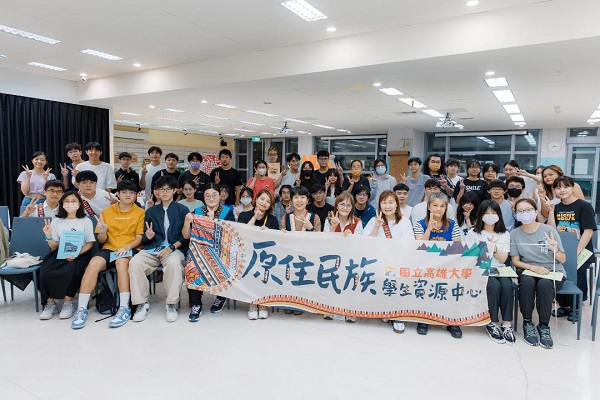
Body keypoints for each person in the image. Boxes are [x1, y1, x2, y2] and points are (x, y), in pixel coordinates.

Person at [72, 180, 145, 329]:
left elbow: (139, 238)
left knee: (121, 262)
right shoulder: (106, 212)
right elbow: (101, 240)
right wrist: (103, 231)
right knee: (93, 264)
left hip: (129, 248)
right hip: (109, 248)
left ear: (136, 195)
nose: (128, 195)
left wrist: (127, 247)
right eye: (124, 192)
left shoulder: (140, 213)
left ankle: (124, 308)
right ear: (117, 194)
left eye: (131, 192)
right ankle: (81, 309)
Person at [129, 176, 189, 323]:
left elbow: (186, 237)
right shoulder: (151, 211)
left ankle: (171, 304)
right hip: (153, 248)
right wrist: (148, 236)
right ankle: (141, 303)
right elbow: (145, 236)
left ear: (174, 190)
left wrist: (172, 247)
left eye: (168, 189)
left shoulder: (182, 209)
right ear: (157, 192)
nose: (165, 192)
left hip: (174, 249)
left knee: (174, 263)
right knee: (135, 262)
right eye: (162, 189)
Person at [510, 198, 565, 349]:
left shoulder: (549, 231)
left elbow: (563, 259)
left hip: (553, 271)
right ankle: (527, 323)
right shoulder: (514, 234)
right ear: (516, 215)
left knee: (545, 284)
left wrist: (554, 249)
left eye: (528, 210)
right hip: (529, 269)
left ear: (535, 212)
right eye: (520, 211)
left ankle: (544, 325)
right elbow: (515, 261)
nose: (524, 213)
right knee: (527, 282)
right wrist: (533, 268)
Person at [37, 191, 95, 320]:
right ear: (62, 204)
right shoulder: (56, 222)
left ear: (79, 204)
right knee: (44, 270)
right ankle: (50, 303)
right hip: (61, 251)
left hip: (81, 253)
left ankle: (68, 303)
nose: (70, 204)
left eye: (73, 201)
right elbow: (54, 246)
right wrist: (48, 235)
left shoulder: (86, 221)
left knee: (72, 269)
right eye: (67, 201)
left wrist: (76, 254)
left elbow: (90, 243)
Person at [413, 192, 462, 338]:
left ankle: (451, 320)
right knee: (425, 283)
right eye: (435, 205)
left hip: (447, 265)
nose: (438, 209)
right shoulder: (420, 224)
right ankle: (424, 319)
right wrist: (429, 229)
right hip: (425, 265)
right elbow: (419, 246)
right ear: (429, 207)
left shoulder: (453, 225)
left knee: (453, 283)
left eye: (442, 206)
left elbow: (457, 247)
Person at [183, 183, 235, 322]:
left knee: (223, 265)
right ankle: (196, 304)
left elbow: (230, 235)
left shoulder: (227, 212)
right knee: (192, 266)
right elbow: (186, 236)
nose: (211, 198)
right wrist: (187, 222)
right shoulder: (197, 211)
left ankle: (221, 297)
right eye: (207, 196)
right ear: (203, 197)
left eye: (214, 195)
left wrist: (214, 222)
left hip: (221, 250)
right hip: (199, 250)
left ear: (219, 196)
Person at [466, 200, 515, 344]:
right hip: (481, 268)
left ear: (499, 215)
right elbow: (470, 256)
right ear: (481, 215)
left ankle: (507, 324)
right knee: (494, 286)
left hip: (500, 268)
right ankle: (492, 322)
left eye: (493, 213)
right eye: (487, 213)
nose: (490, 216)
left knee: (508, 286)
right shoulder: (473, 233)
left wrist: (494, 248)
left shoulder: (504, 234)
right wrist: (486, 248)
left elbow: (503, 259)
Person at [364, 190, 414, 333]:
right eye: (384, 203)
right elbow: (365, 242)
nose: (387, 206)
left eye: (391, 202)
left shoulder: (404, 222)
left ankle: (397, 316)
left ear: (397, 204)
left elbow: (408, 244)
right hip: (378, 262)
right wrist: (376, 227)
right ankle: (385, 310)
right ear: (379, 205)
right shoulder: (374, 220)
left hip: (398, 262)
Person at [546, 176, 596, 309]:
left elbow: (588, 232)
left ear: (573, 188)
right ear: (554, 190)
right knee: (560, 278)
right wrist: (550, 211)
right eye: (558, 188)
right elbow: (552, 231)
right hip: (562, 251)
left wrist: (575, 254)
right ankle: (564, 306)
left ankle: (575, 309)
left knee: (575, 281)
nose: (562, 190)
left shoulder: (584, 206)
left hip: (581, 252)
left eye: (566, 186)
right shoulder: (556, 207)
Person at [238, 189, 280, 320]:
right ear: (255, 199)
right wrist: (254, 218)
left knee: (265, 269)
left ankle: (263, 304)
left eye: (268, 201)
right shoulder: (244, 215)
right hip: (247, 254)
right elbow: (242, 234)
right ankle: (252, 303)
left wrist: (269, 233)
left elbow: (277, 241)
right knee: (251, 268)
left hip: (266, 256)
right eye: (262, 199)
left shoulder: (272, 219)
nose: (264, 203)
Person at [322, 192, 363, 322]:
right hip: (332, 258)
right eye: (342, 204)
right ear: (336, 206)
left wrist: (352, 238)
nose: (345, 208)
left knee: (352, 278)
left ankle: (350, 310)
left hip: (350, 259)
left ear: (352, 207)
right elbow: (325, 243)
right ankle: (329, 308)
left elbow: (360, 246)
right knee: (330, 278)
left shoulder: (357, 222)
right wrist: (333, 229)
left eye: (348, 205)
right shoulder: (329, 220)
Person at [280, 185, 320, 315]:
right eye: (296, 197)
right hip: (290, 256)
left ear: (307, 200)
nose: (299, 200)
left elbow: (320, 241)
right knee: (289, 280)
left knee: (303, 280)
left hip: (307, 257)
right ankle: (289, 302)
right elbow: (280, 240)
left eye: (302, 197)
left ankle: (301, 304)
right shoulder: (285, 218)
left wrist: (310, 228)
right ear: (291, 200)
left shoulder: (315, 218)